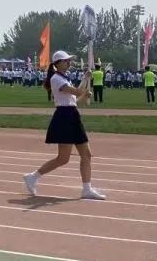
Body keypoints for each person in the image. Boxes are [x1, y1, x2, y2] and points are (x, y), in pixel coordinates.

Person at [23, 51, 105, 200]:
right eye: (66, 61)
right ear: (58, 63)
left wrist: (84, 90)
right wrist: (85, 82)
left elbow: (74, 100)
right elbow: (77, 92)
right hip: (64, 117)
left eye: (69, 60)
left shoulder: (65, 78)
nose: (68, 63)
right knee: (63, 158)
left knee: (86, 154)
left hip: (72, 115)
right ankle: (33, 176)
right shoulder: (56, 79)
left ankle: (87, 189)